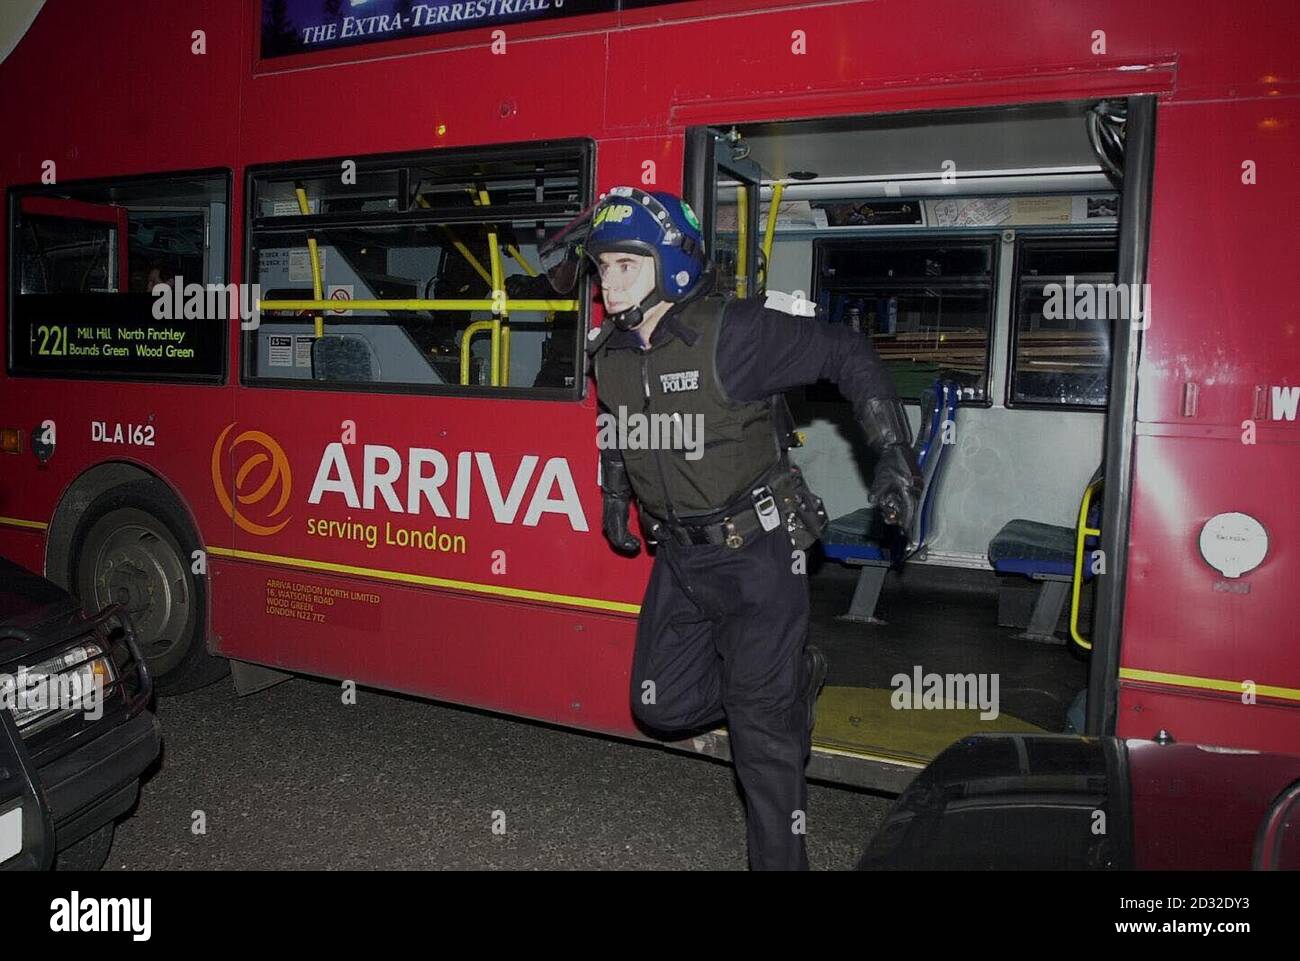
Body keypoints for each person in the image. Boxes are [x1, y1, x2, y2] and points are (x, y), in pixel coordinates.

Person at [581, 186, 921, 870]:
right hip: (680, 559)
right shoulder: (610, 353)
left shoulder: (733, 333)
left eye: (626, 264)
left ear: (671, 263)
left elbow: (846, 352)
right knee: (659, 702)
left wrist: (892, 453)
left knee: (762, 746)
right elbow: (617, 425)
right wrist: (616, 493)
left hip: (759, 556)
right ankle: (788, 682)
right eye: (603, 267)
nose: (608, 283)